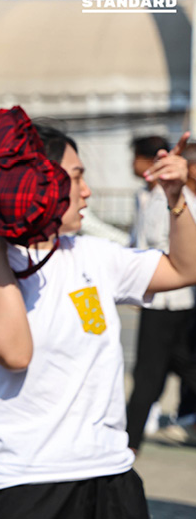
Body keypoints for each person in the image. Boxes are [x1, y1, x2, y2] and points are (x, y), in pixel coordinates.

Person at [0, 127, 196, 519]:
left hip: (110, 474)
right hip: (26, 480)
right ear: (36, 182)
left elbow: (184, 268)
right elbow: (15, 354)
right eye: (76, 176)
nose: (87, 191)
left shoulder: (91, 254)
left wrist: (177, 198)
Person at [125, 135, 196, 451]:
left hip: (168, 300)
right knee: (178, 366)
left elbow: (155, 248)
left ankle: (129, 442)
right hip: (168, 298)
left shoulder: (168, 199)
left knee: (149, 375)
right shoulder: (153, 196)